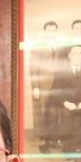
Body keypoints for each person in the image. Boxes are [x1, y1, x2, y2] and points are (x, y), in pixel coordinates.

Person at [53, 44, 81, 160]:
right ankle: (69, 149)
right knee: (68, 120)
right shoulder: (61, 71)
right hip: (68, 103)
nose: (77, 56)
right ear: (69, 55)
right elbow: (56, 89)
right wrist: (66, 103)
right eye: (75, 53)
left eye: (80, 53)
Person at [29, 20, 61, 153]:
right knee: (42, 113)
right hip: (43, 85)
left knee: (55, 113)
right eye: (49, 30)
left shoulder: (59, 47)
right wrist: (35, 86)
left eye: (54, 30)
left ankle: (53, 139)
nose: (51, 33)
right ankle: (43, 142)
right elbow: (33, 67)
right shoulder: (38, 46)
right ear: (45, 32)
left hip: (58, 85)